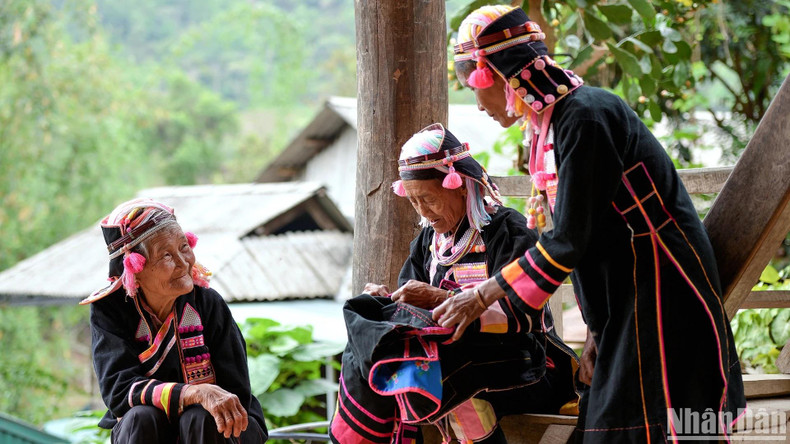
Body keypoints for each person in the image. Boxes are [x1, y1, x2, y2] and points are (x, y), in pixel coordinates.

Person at [433, 5, 746, 442]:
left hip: (658, 289)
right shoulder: (552, 124)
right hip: (623, 295)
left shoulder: (585, 116)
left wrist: (480, 295)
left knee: (662, 425)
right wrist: (597, 330)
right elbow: (583, 235)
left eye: (473, 87)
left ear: (500, 75)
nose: (477, 104)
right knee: (614, 424)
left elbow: (568, 240)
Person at [330, 124, 579, 444]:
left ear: (459, 185)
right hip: (456, 364)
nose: (423, 211)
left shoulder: (507, 231)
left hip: (527, 367)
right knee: (377, 338)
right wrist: (390, 300)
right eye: (415, 202)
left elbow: (523, 314)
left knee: (445, 383)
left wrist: (438, 298)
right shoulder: (427, 243)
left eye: (429, 199)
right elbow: (413, 317)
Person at [81, 198, 268, 443]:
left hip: (216, 431)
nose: (183, 263)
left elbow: (236, 392)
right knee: (140, 417)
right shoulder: (111, 309)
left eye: (183, 247)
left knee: (201, 417)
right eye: (166, 255)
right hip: (149, 430)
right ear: (135, 267)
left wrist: (198, 403)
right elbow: (118, 392)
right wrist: (191, 393)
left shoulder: (207, 303)